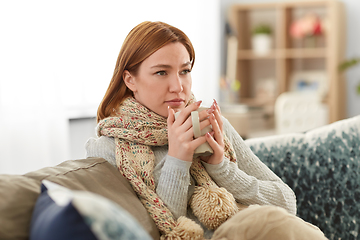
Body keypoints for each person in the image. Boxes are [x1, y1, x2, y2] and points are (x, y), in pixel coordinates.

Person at [86, 21, 327, 240]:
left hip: (259, 230)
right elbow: (153, 231)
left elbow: (286, 203)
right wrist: (177, 161)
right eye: (161, 72)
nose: (178, 87)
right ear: (130, 80)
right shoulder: (109, 148)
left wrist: (221, 168)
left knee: (276, 222)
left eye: (185, 71)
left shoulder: (209, 121)